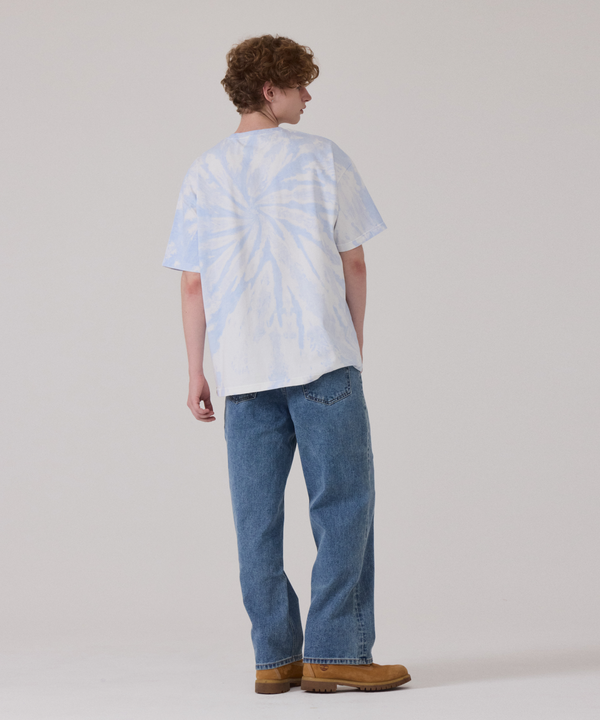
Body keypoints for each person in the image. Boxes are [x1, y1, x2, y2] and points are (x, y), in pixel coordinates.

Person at [162, 34, 411, 695]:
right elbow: (355, 262)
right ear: (270, 91)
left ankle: (274, 659)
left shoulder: (204, 171)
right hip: (322, 360)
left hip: (243, 374)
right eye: (301, 86)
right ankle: (337, 652)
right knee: (344, 506)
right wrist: (353, 342)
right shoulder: (322, 157)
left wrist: (196, 370)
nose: (308, 97)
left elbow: (192, 282)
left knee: (256, 521)